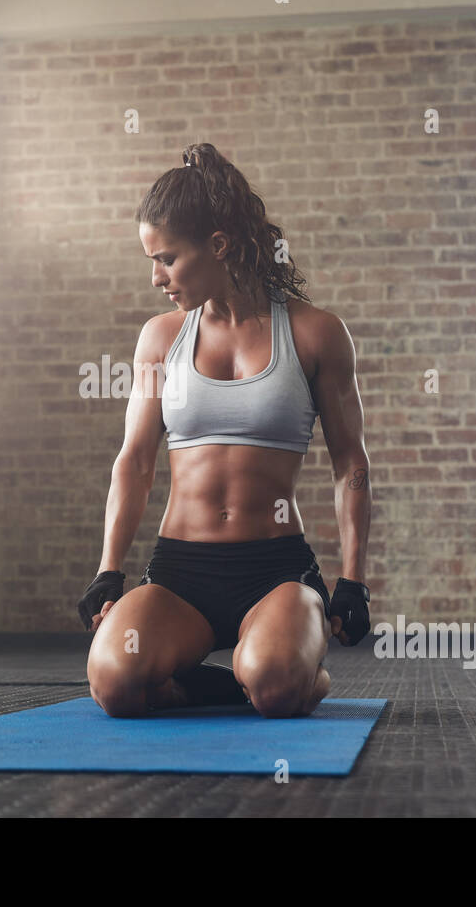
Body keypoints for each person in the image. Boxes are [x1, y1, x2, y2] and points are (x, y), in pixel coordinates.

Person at [79, 142, 373, 719]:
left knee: (278, 686)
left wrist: (353, 581)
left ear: (217, 245)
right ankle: (222, 684)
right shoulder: (160, 338)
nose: (156, 277)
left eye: (167, 258)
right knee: (115, 684)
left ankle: (278, 668)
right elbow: (134, 462)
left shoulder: (315, 334)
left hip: (275, 571)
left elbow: (350, 465)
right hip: (179, 572)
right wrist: (108, 569)